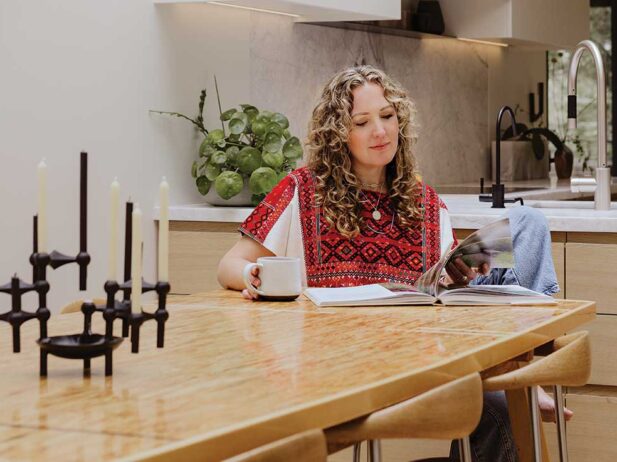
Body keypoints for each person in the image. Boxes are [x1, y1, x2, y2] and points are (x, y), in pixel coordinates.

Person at [218, 65, 568, 461]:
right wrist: (254, 276)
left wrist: (462, 279)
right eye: (362, 122)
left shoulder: (425, 202)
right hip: (337, 365)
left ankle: (522, 372)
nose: (380, 132)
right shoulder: (303, 189)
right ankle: (517, 381)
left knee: (528, 224)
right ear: (338, 133)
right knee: (499, 406)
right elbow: (230, 264)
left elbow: (447, 295)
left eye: (387, 116)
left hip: (424, 359)